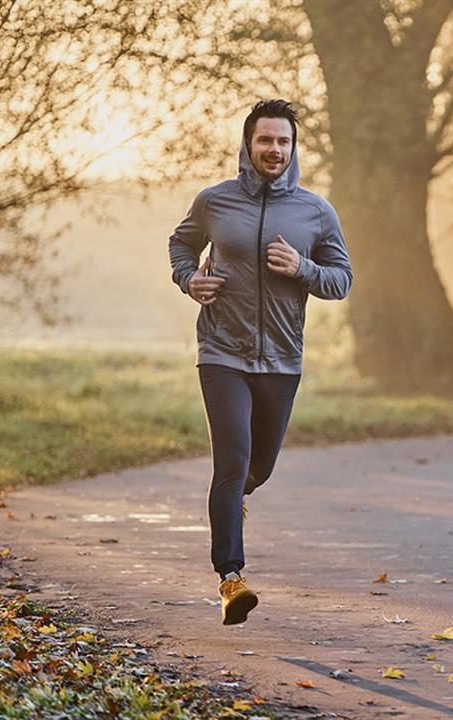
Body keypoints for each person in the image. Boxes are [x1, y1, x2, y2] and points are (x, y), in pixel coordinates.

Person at [168, 99, 353, 625]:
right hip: (221, 353)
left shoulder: (316, 212)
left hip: (281, 359)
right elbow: (181, 246)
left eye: (283, 142)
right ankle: (231, 578)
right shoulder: (215, 202)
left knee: (259, 466)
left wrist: (302, 269)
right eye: (265, 140)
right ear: (248, 145)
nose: (274, 150)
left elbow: (342, 280)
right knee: (231, 462)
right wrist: (190, 280)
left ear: (293, 149)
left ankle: (234, 499)